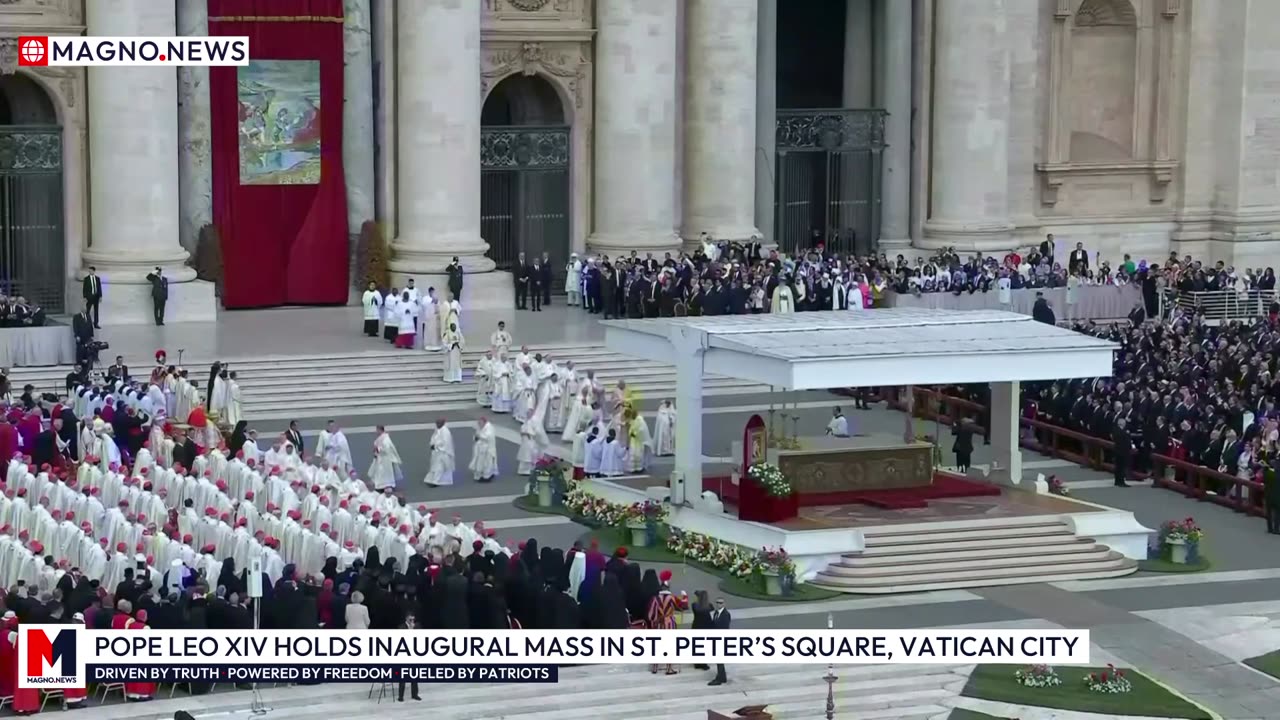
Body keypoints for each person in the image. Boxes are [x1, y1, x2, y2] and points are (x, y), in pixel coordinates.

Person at [396, 613, 423, 701]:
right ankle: (401, 696)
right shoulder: (401, 627)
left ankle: (415, 694)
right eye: (410, 620)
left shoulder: (417, 627)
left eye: (413, 620)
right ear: (406, 618)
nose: (412, 621)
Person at [424, 419, 455, 487]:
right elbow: (434, 438)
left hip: (442, 452)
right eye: (437, 423)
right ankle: (433, 479)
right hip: (437, 452)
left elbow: (445, 442)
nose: (437, 424)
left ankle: (435, 481)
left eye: (438, 423)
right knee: (435, 466)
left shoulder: (445, 431)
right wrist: (432, 444)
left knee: (439, 467)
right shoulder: (438, 430)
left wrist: (436, 446)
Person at [369, 426, 402, 490]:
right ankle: (381, 484)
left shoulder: (386, 439)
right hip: (381, 458)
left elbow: (386, 449)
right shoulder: (381, 438)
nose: (376, 432)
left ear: (380, 430)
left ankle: (386, 485)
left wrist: (377, 449)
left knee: (384, 473)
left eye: (377, 430)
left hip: (385, 459)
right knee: (380, 472)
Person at [708, 597, 731, 686]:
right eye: (717, 602)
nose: (719, 604)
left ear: (724, 604)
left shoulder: (726, 614)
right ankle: (722, 677)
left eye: (721, 603)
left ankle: (720, 678)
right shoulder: (716, 614)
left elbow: (725, 628)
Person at [471, 417, 498, 482]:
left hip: (488, 449)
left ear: (484, 422)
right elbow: (476, 435)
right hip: (480, 448)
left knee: (487, 463)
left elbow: (488, 437)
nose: (479, 424)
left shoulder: (489, 428)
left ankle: (486, 477)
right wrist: (476, 438)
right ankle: (480, 475)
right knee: (480, 462)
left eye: (480, 423)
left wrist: (479, 436)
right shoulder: (480, 427)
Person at [1112, 418, 1132, 488]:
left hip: (1118, 451)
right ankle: (1121, 482)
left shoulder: (1116, 430)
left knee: (1118, 467)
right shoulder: (1120, 431)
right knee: (1121, 467)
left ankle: (1117, 481)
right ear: (1122, 423)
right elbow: (1124, 441)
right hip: (1122, 451)